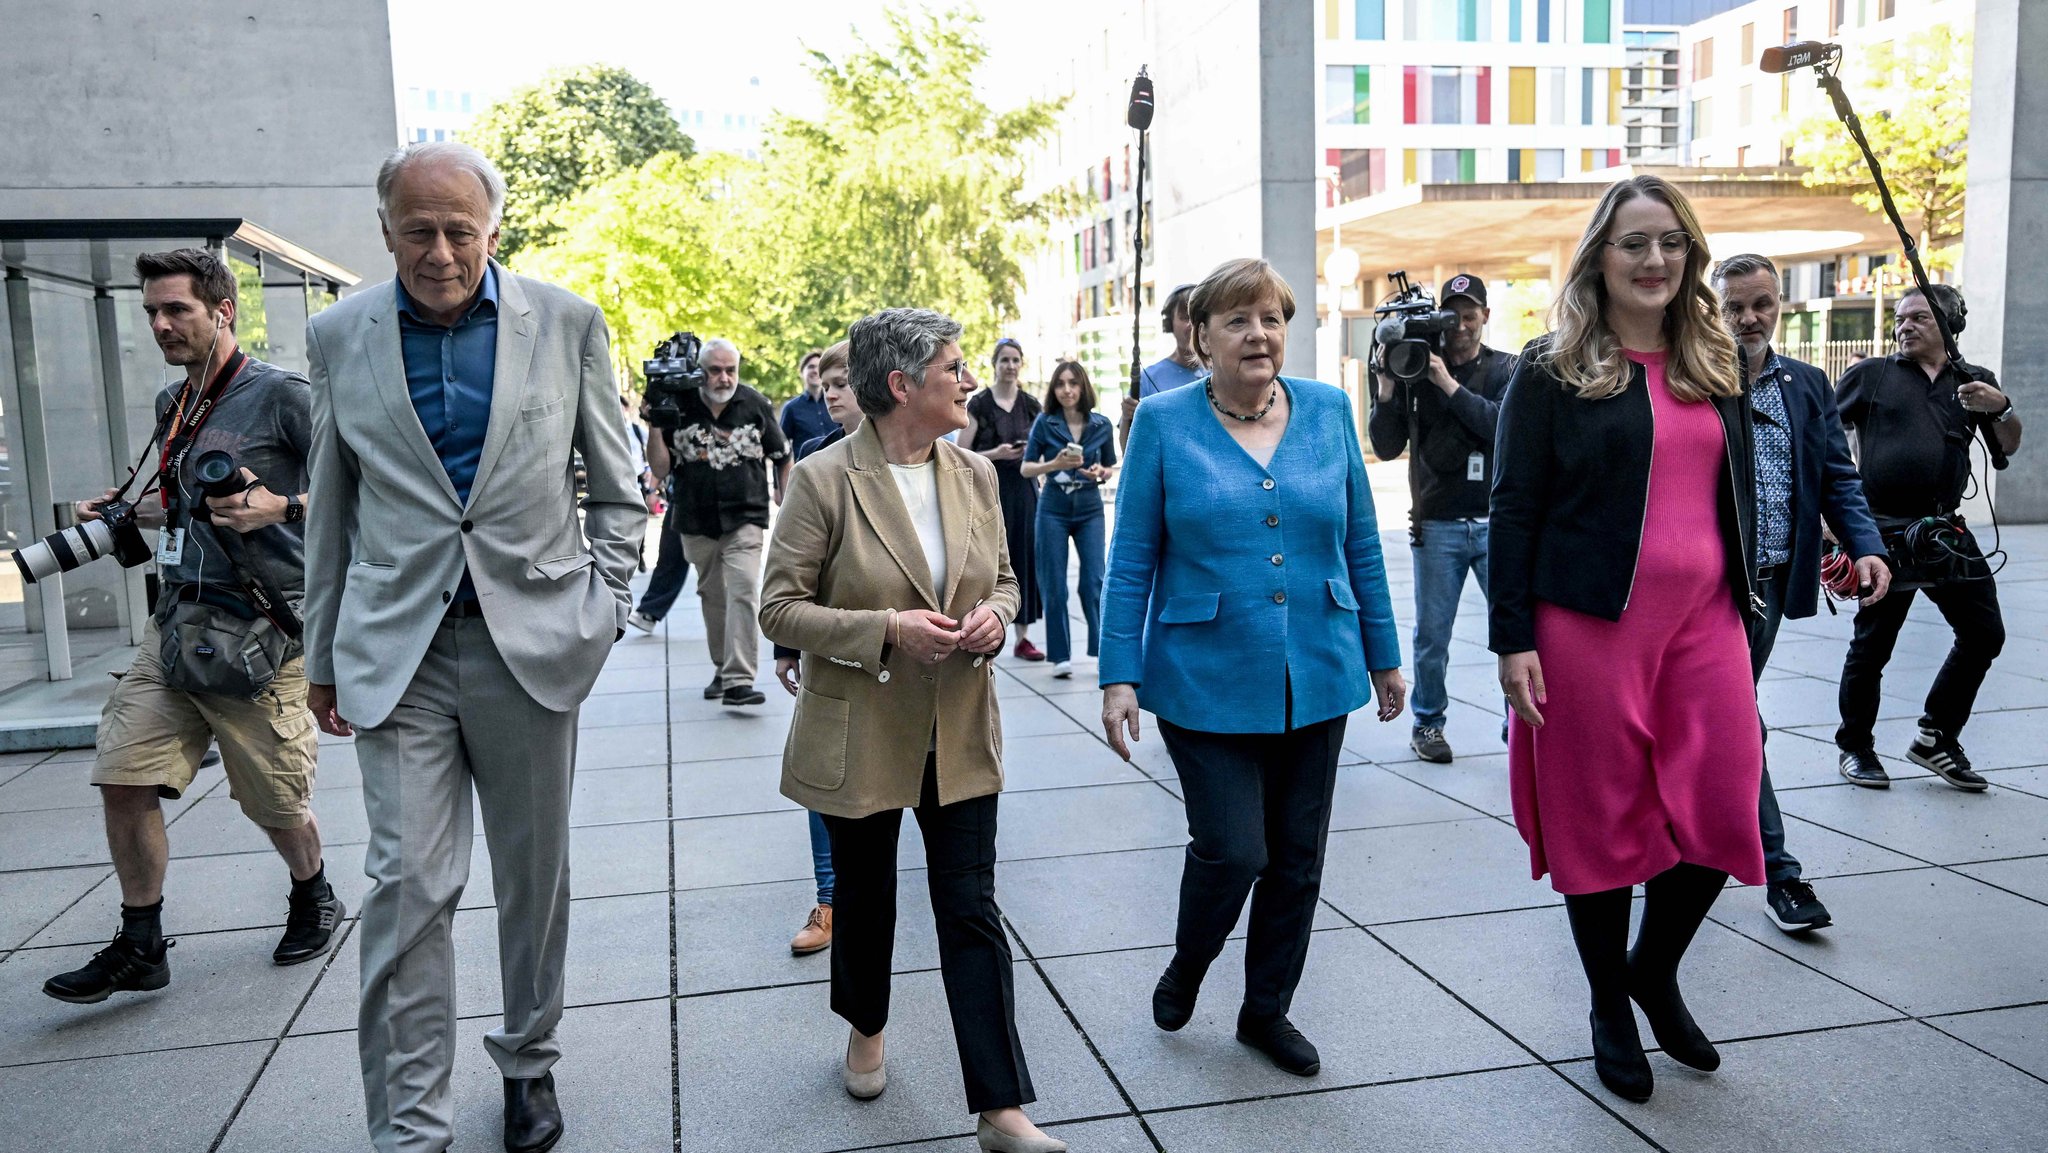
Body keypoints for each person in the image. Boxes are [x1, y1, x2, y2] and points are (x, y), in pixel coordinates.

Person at [303, 141, 643, 1153]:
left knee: (532, 878)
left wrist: (603, 604)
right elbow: (332, 507)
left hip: (530, 646)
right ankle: (409, 1126)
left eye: (460, 229)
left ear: (495, 230)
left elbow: (618, 490)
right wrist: (319, 653)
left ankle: (528, 1061)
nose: (440, 250)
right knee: (409, 882)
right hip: (396, 651)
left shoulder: (567, 323)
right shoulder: (338, 334)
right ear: (386, 231)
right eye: (419, 230)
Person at [760, 308, 1066, 1153]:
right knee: (864, 898)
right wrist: (885, 627)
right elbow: (778, 607)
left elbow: (1004, 581)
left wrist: (996, 621)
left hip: (959, 726)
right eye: (953, 367)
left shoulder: (972, 473)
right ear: (902, 385)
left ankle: (1000, 1107)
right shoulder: (824, 479)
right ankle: (866, 1025)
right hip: (861, 726)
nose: (967, 380)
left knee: (971, 907)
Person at [1491, 174, 1765, 1104]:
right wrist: (1511, 636)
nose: (1655, 261)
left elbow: (1743, 493)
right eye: (1635, 243)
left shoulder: (1715, 361)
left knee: (1726, 802)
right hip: (1588, 625)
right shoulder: (1551, 367)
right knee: (1602, 823)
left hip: (1705, 620)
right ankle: (1612, 1002)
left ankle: (1653, 966)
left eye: (1672, 244)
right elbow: (1513, 507)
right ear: (1599, 257)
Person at [1100, 257, 1406, 1078]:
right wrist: (1117, 673)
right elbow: (1130, 559)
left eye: (1270, 317)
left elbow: (1360, 542)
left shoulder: (1330, 409)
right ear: (1201, 337)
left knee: (1298, 855)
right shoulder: (1163, 422)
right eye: (1237, 320)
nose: (1258, 334)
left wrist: (1384, 652)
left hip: (1319, 664)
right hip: (1202, 674)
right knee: (1234, 848)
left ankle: (1265, 1009)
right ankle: (1190, 961)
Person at [42, 248, 341, 1005]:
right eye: (151, 311)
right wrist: (127, 511)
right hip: (175, 623)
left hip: (264, 632)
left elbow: (360, 489)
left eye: (176, 309)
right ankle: (141, 941)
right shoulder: (169, 404)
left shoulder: (283, 398)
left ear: (222, 312)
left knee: (276, 802)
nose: (161, 324)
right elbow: (184, 507)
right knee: (122, 775)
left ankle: (314, 892)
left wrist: (282, 506)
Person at [1715, 253, 1891, 934]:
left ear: (1779, 302)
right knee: (1738, 717)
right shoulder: (1695, 378)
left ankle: (1671, 836)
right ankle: (1780, 873)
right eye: (1734, 306)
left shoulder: (1808, 383)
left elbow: (1836, 476)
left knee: (1722, 716)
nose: (1749, 318)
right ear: (1714, 308)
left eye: (1761, 304)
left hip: (1770, 582)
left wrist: (1866, 545)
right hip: (1707, 587)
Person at [1834, 284, 2022, 790]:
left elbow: (2007, 447)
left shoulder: (1972, 382)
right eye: (1899, 318)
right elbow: (1822, 438)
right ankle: (1856, 748)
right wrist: (1835, 524)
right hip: (1884, 532)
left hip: (1945, 531)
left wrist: (2000, 407)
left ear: (1950, 325)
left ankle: (1936, 737)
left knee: (1985, 635)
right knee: (1872, 648)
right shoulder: (1870, 375)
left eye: (1918, 317)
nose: (1904, 326)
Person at [1366, 273, 1517, 763]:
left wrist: (1445, 383)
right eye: (1450, 317)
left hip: (1498, 523)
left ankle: (1518, 723)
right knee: (1432, 637)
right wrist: (1387, 388)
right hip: (1436, 523)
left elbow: (1500, 429)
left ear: (1485, 318)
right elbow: (1387, 447)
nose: (1459, 327)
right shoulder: (1411, 367)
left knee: (1515, 633)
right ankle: (1427, 724)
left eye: (1468, 316)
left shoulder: (1505, 369)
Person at [772, 338, 861, 957]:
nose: (831, 392)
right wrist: (786, 645)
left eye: (843, 381)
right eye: (825, 383)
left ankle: (868, 891)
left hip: (905, 649)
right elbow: (791, 568)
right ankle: (830, 900)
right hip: (831, 640)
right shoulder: (812, 457)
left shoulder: (928, 455)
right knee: (823, 774)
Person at [649, 338, 791, 706]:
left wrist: (784, 494)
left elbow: (781, 454)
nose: (724, 378)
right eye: (715, 370)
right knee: (713, 596)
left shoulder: (754, 403)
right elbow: (660, 468)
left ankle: (739, 680)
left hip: (745, 515)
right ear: (701, 370)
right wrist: (653, 423)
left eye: (730, 370)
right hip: (695, 519)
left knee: (743, 589)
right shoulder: (679, 403)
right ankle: (723, 669)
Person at [1021, 361, 1118, 678]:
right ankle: (1060, 655)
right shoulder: (1045, 423)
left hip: (1089, 506)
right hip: (1053, 507)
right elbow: (1026, 468)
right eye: (1060, 383)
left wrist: (1099, 472)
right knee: (1054, 583)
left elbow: (1109, 467)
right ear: (1054, 389)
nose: (1067, 390)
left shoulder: (1101, 425)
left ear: (1083, 387)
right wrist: (1054, 463)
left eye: (1073, 383)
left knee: (1094, 580)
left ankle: (1103, 651)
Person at [962, 337, 1045, 661]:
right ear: (994, 365)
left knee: (1023, 558)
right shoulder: (979, 404)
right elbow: (962, 452)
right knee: (987, 561)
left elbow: (1044, 446)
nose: (1010, 366)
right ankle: (983, 628)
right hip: (988, 488)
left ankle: (1023, 637)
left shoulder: (1030, 404)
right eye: (1004, 360)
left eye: (1015, 360)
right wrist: (996, 453)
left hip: (1023, 489)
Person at [1118, 282, 1203, 449]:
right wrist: (1128, 417)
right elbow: (1128, 448)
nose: (1191, 326)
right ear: (1169, 323)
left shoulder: (1223, 373)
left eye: (1197, 318)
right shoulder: (1148, 378)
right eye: (1185, 317)